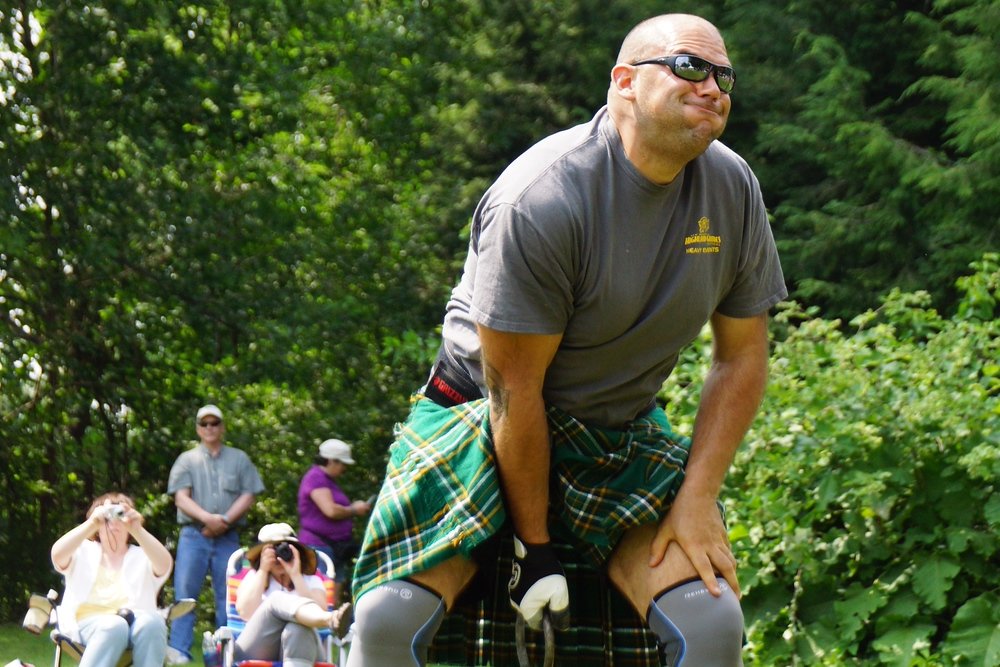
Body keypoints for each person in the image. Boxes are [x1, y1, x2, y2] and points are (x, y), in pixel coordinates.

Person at [346, 13, 786, 667]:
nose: (713, 87)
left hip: (615, 430)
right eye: (689, 67)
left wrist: (696, 498)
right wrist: (534, 547)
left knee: (712, 619)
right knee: (389, 621)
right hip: (480, 420)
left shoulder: (732, 189)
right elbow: (511, 390)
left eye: (724, 76)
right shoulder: (543, 198)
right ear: (624, 82)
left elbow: (743, 354)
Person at [166, 404, 266, 665]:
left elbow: (249, 494)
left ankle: (229, 651)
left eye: (214, 423)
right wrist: (209, 519)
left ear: (222, 427)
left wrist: (224, 520)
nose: (209, 428)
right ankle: (179, 651)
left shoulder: (239, 458)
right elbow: (181, 498)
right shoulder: (186, 459)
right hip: (193, 535)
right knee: (185, 594)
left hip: (228, 537)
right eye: (204, 424)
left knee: (230, 595)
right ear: (198, 428)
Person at [50, 492, 173, 667]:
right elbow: (57, 555)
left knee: (153, 622)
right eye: (108, 515)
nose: (114, 521)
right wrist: (91, 523)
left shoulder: (142, 555)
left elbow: (165, 565)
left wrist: (137, 528)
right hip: (88, 624)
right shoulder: (83, 550)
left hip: (136, 624)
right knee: (114, 625)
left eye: (120, 514)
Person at [229, 523, 352, 667]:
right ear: (261, 554)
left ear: (296, 551)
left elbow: (319, 610)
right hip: (256, 648)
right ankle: (332, 619)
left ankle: (330, 619)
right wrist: (263, 570)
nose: (278, 555)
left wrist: (295, 575)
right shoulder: (253, 577)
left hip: (305, 647)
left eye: (284, 549)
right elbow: (246, 613)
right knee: (276, 599)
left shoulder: (311, 580)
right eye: (272, 550)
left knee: (297, 628)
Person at [296, 438, 372, 606]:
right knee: (320, 598)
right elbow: (330, 510)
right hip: (318, 547)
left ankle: (331, 630)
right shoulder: (316, 477)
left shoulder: (328, 480)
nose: (344, 468)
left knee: (332, 600)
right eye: (342, 463)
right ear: (331, 460)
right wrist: (354, 509)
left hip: (335, 548)